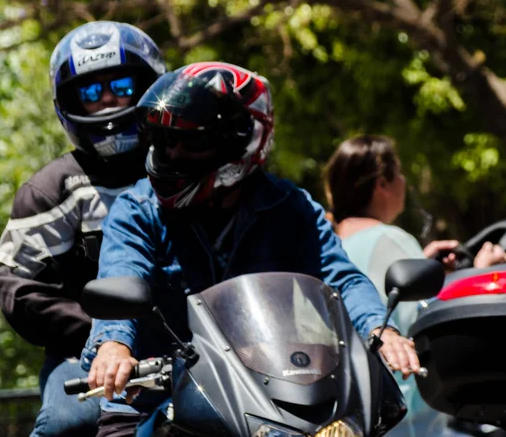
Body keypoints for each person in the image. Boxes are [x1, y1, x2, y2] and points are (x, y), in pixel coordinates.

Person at [80, 62, 425, 437]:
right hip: (155, 398)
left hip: (272, 399)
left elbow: (339, 275)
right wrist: (113, 345)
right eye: (165, 141)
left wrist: (380, 328)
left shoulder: (289, 207)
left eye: (192, 141)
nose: (174, 152)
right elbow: (122, 270)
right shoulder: (138, 211)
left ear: (241, 139)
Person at [0, 20, 166, 437]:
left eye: (121, 86)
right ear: (69, 103)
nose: (107, 100)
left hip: (199, 345)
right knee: (66, 424)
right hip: (85, 357)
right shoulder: (51, 190)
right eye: (91, 92)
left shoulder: (186, 165)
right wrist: (98, 335)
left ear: (150, 85)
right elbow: (16, 287)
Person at [323, 134, 506, 437]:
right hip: (406, 423)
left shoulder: (329, 246)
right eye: (398, 173)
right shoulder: (390, 238)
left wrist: (425, 265)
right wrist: (481, 272)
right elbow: (428, 324)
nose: (405, 182)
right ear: (382, 183)